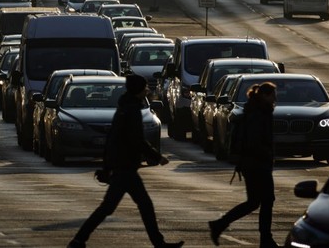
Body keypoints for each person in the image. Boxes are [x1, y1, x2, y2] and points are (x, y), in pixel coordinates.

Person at [67, 74, 184, 248]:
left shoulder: (124, 108)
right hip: (125, 168)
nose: (147, 90)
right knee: (137, 206)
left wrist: (107, 166)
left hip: (122, 166)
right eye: (144, 87)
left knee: (115, 207)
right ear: (138, 90)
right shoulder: (131, 111)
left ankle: (79, 240)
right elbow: (136, 140)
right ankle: (78, 240)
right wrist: (156, 156)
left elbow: (112, 139)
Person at [208, 82, 279, 248]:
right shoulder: (259, 113)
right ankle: (265, 239)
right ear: (265, 95)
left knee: (256, 201)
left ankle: (221, 224)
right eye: (273, 94)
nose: (275, 98)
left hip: (252, 163)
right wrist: (267, 154)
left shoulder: (256, 110)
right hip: (256, 164)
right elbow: (254, 141)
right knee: (265, 200)